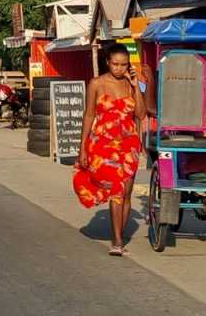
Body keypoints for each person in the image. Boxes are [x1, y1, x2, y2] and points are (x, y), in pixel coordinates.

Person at [74, 44, 145, 256]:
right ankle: (117, 241)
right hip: (104, 145)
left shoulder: (131, 83)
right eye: (115, 64)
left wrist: (136, 86)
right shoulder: (96, 83)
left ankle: (119, 234)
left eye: (124, 65)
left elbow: (140, 114)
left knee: (127, 193)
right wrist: (82, 148)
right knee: (117, 191)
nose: (119, 68)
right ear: (108, 62)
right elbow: (89, 115)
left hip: (129, 144)